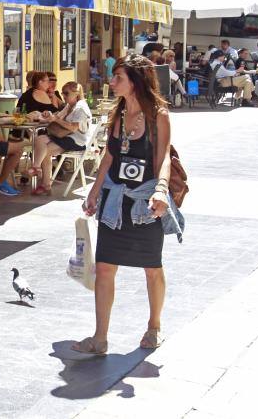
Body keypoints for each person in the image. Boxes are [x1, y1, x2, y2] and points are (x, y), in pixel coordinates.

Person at [74, 54, 183, 356]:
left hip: (145, 202)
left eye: (118, 77)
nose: (111, 81)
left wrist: (161, 191)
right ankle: (100, 338)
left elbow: (162, 161)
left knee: (152, 267)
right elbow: (109, 157)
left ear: (135, 81)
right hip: (115, 202)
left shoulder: (158, 115)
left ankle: (154, 326)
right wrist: (94, 191)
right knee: (105, 269)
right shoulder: (118, 113)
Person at [26, 82, 92, 194]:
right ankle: (37, 168)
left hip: (76, 140)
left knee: (44, 150)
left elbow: (73, 128)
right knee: (39, 140)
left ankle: (45, 183)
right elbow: (57, 116)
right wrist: (49, 115)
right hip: (64, 136)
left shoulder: (81, 108)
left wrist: (55, 120)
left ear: (76, 94)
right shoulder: (69, 106)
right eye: (62, 93)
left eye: (66, 93)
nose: (64, 96)